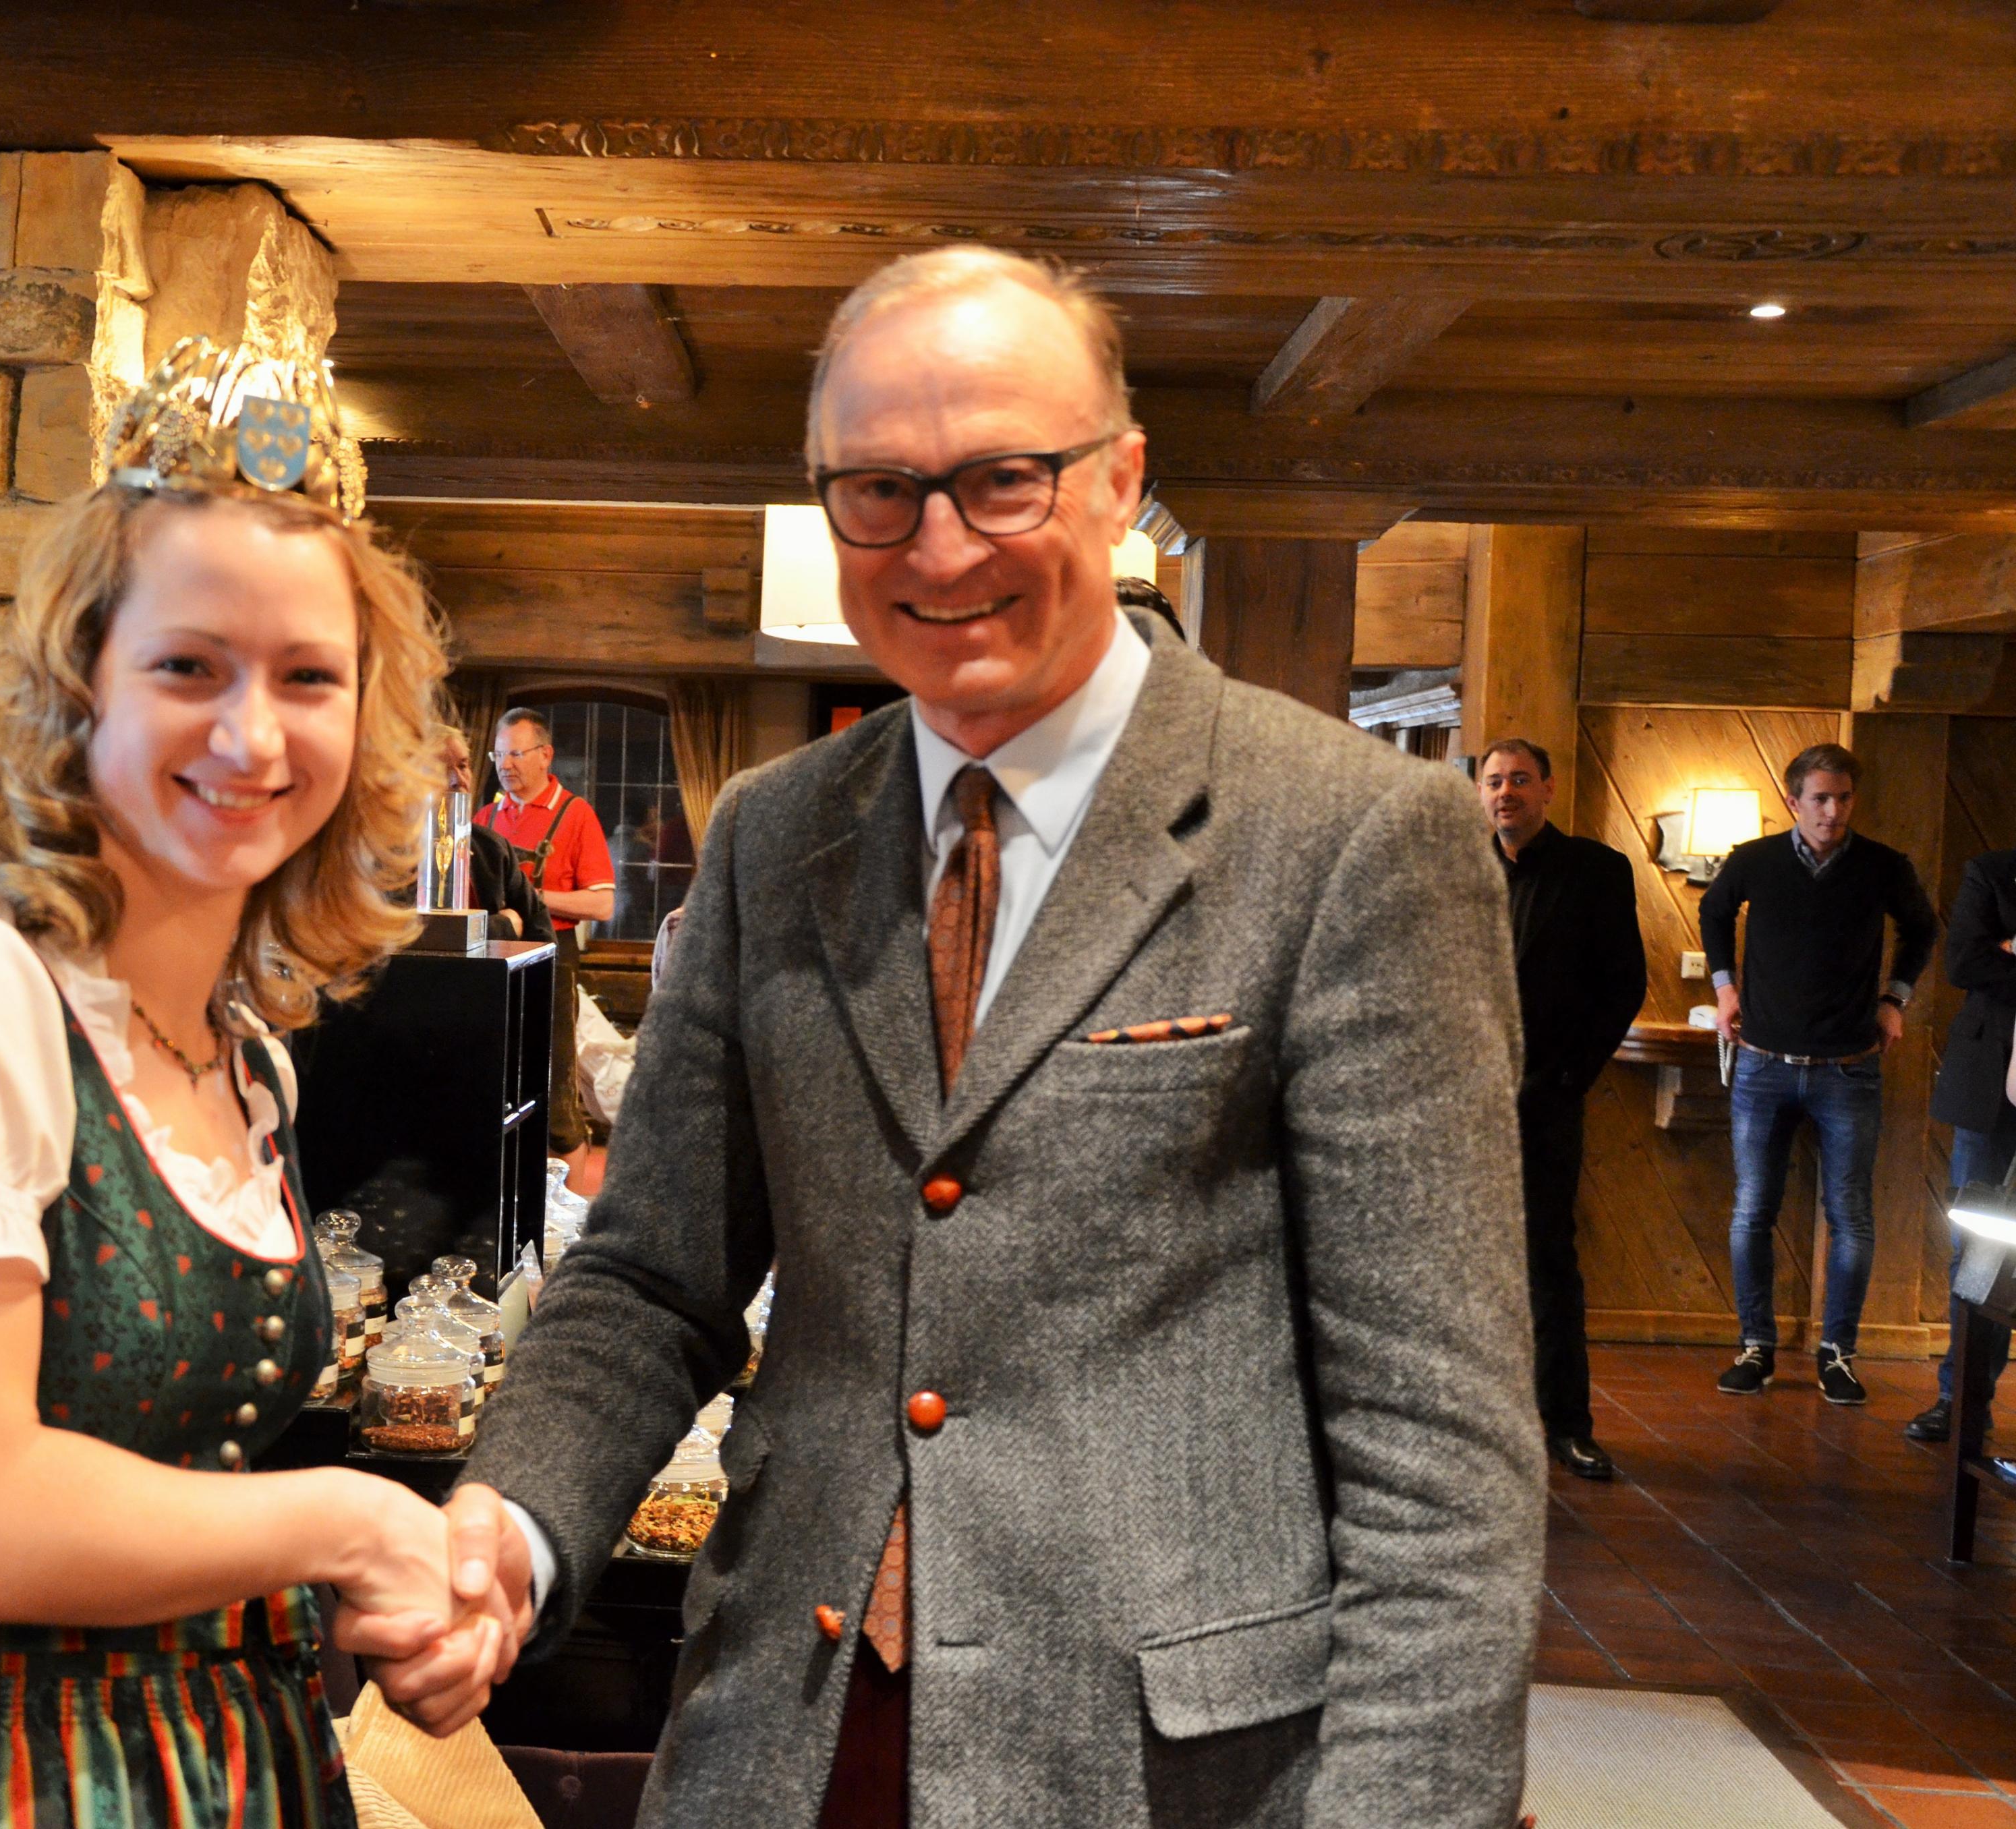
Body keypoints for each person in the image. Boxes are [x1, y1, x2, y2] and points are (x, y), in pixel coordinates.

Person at [423, 247, 1543, 1828]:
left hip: (1170, 1774)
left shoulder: (1349, 837)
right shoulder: (773, 835)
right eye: (878, 490)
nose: (938, 546)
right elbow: (650, 1280)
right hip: (783, 1742)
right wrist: (514, 1522)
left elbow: (1436, 1449)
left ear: (1120, 482)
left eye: (1003, 480)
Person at [0, 352, 509, 1829]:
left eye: (308, 677)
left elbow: (183, 1498)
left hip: (241, 1769)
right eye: (188, 668)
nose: (252, 737)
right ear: (79, 682)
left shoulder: (244, 1058)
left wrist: (405, 1608)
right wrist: (353, 1526)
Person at [1701, 743, 1938, 1406]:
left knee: (1851, 1215)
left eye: (1843, 798)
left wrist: (1895, 999)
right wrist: (1724, 987)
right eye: (1820, 798)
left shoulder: (1883, 866)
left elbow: (1922, 929)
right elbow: (1715, 911)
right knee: (1753, 1209)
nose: (1833, 811)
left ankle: (1838, 1352)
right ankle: (1756, 1347)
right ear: (1793, 802)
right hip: (1763, 1064)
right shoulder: (1754, 859)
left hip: (1848, 1068)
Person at [1478, 739, 1646, 1482]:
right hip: (1459, 1107)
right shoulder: (1453, 865)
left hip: (1545, 1098)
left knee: (1549, 1264)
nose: (1505, 792)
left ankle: (1567, 1427)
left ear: (1547, 788)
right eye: (1493, 781)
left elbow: (1623, 985)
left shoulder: (1596, 872)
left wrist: (1572, 1075)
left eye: (1519, 779)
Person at [1911, 843, 2016, 1443]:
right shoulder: (1994, 872)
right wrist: (1998, 952)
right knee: (1978, 1247)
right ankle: (1962, 1401)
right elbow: (1966, 962)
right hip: (1990, 1093)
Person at [477, 709, 614, 1154]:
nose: (505, 765)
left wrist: (533, 900)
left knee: (555, 1100)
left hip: (553, 959)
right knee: (491, 1092)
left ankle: (568, 1194)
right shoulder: (485, 818)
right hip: (491, 963)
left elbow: (602, 904)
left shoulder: (576, 814)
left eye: (516, 754)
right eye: (498, 755)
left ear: (545, 755)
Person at [440, 727, 550, 942]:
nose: (458, 779)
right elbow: (424, 935)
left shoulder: (492, 846)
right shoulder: (391, 853)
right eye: (441, 769)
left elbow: (542, 933)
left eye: (463, 766)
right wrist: (503, 926)